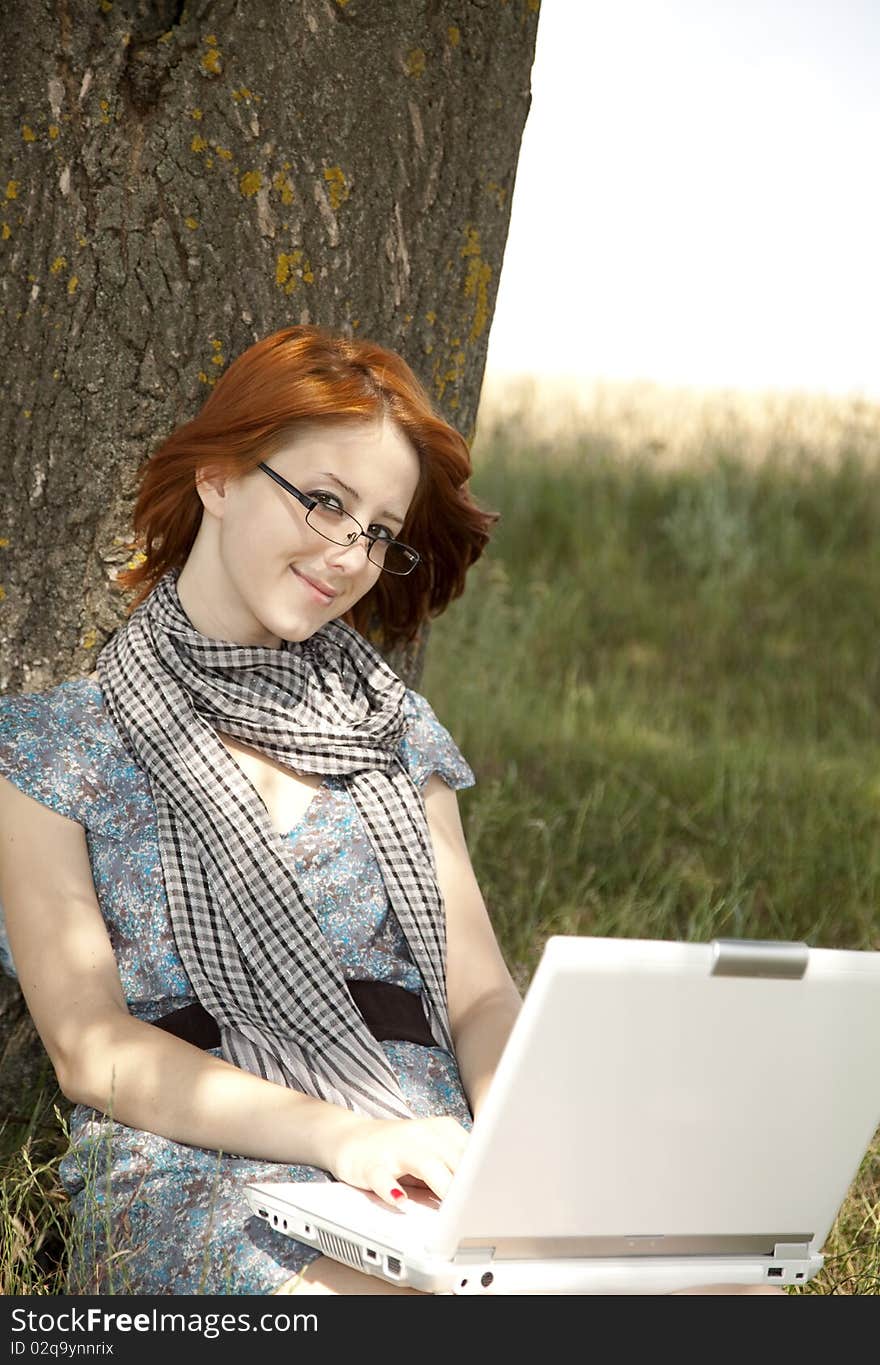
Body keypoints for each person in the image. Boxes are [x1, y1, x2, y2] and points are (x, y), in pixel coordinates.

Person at [0, 325, 782, 1298]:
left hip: (426, 1139)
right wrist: (344, 1140)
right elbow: (89, 1049)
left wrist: (514, 1151)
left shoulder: (391, 728)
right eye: (324, 502)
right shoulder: (52, 746)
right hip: (204, 1160)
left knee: (734, 1295)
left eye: (376, 530)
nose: (349, 555)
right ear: (218, 478)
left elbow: (480, 996)